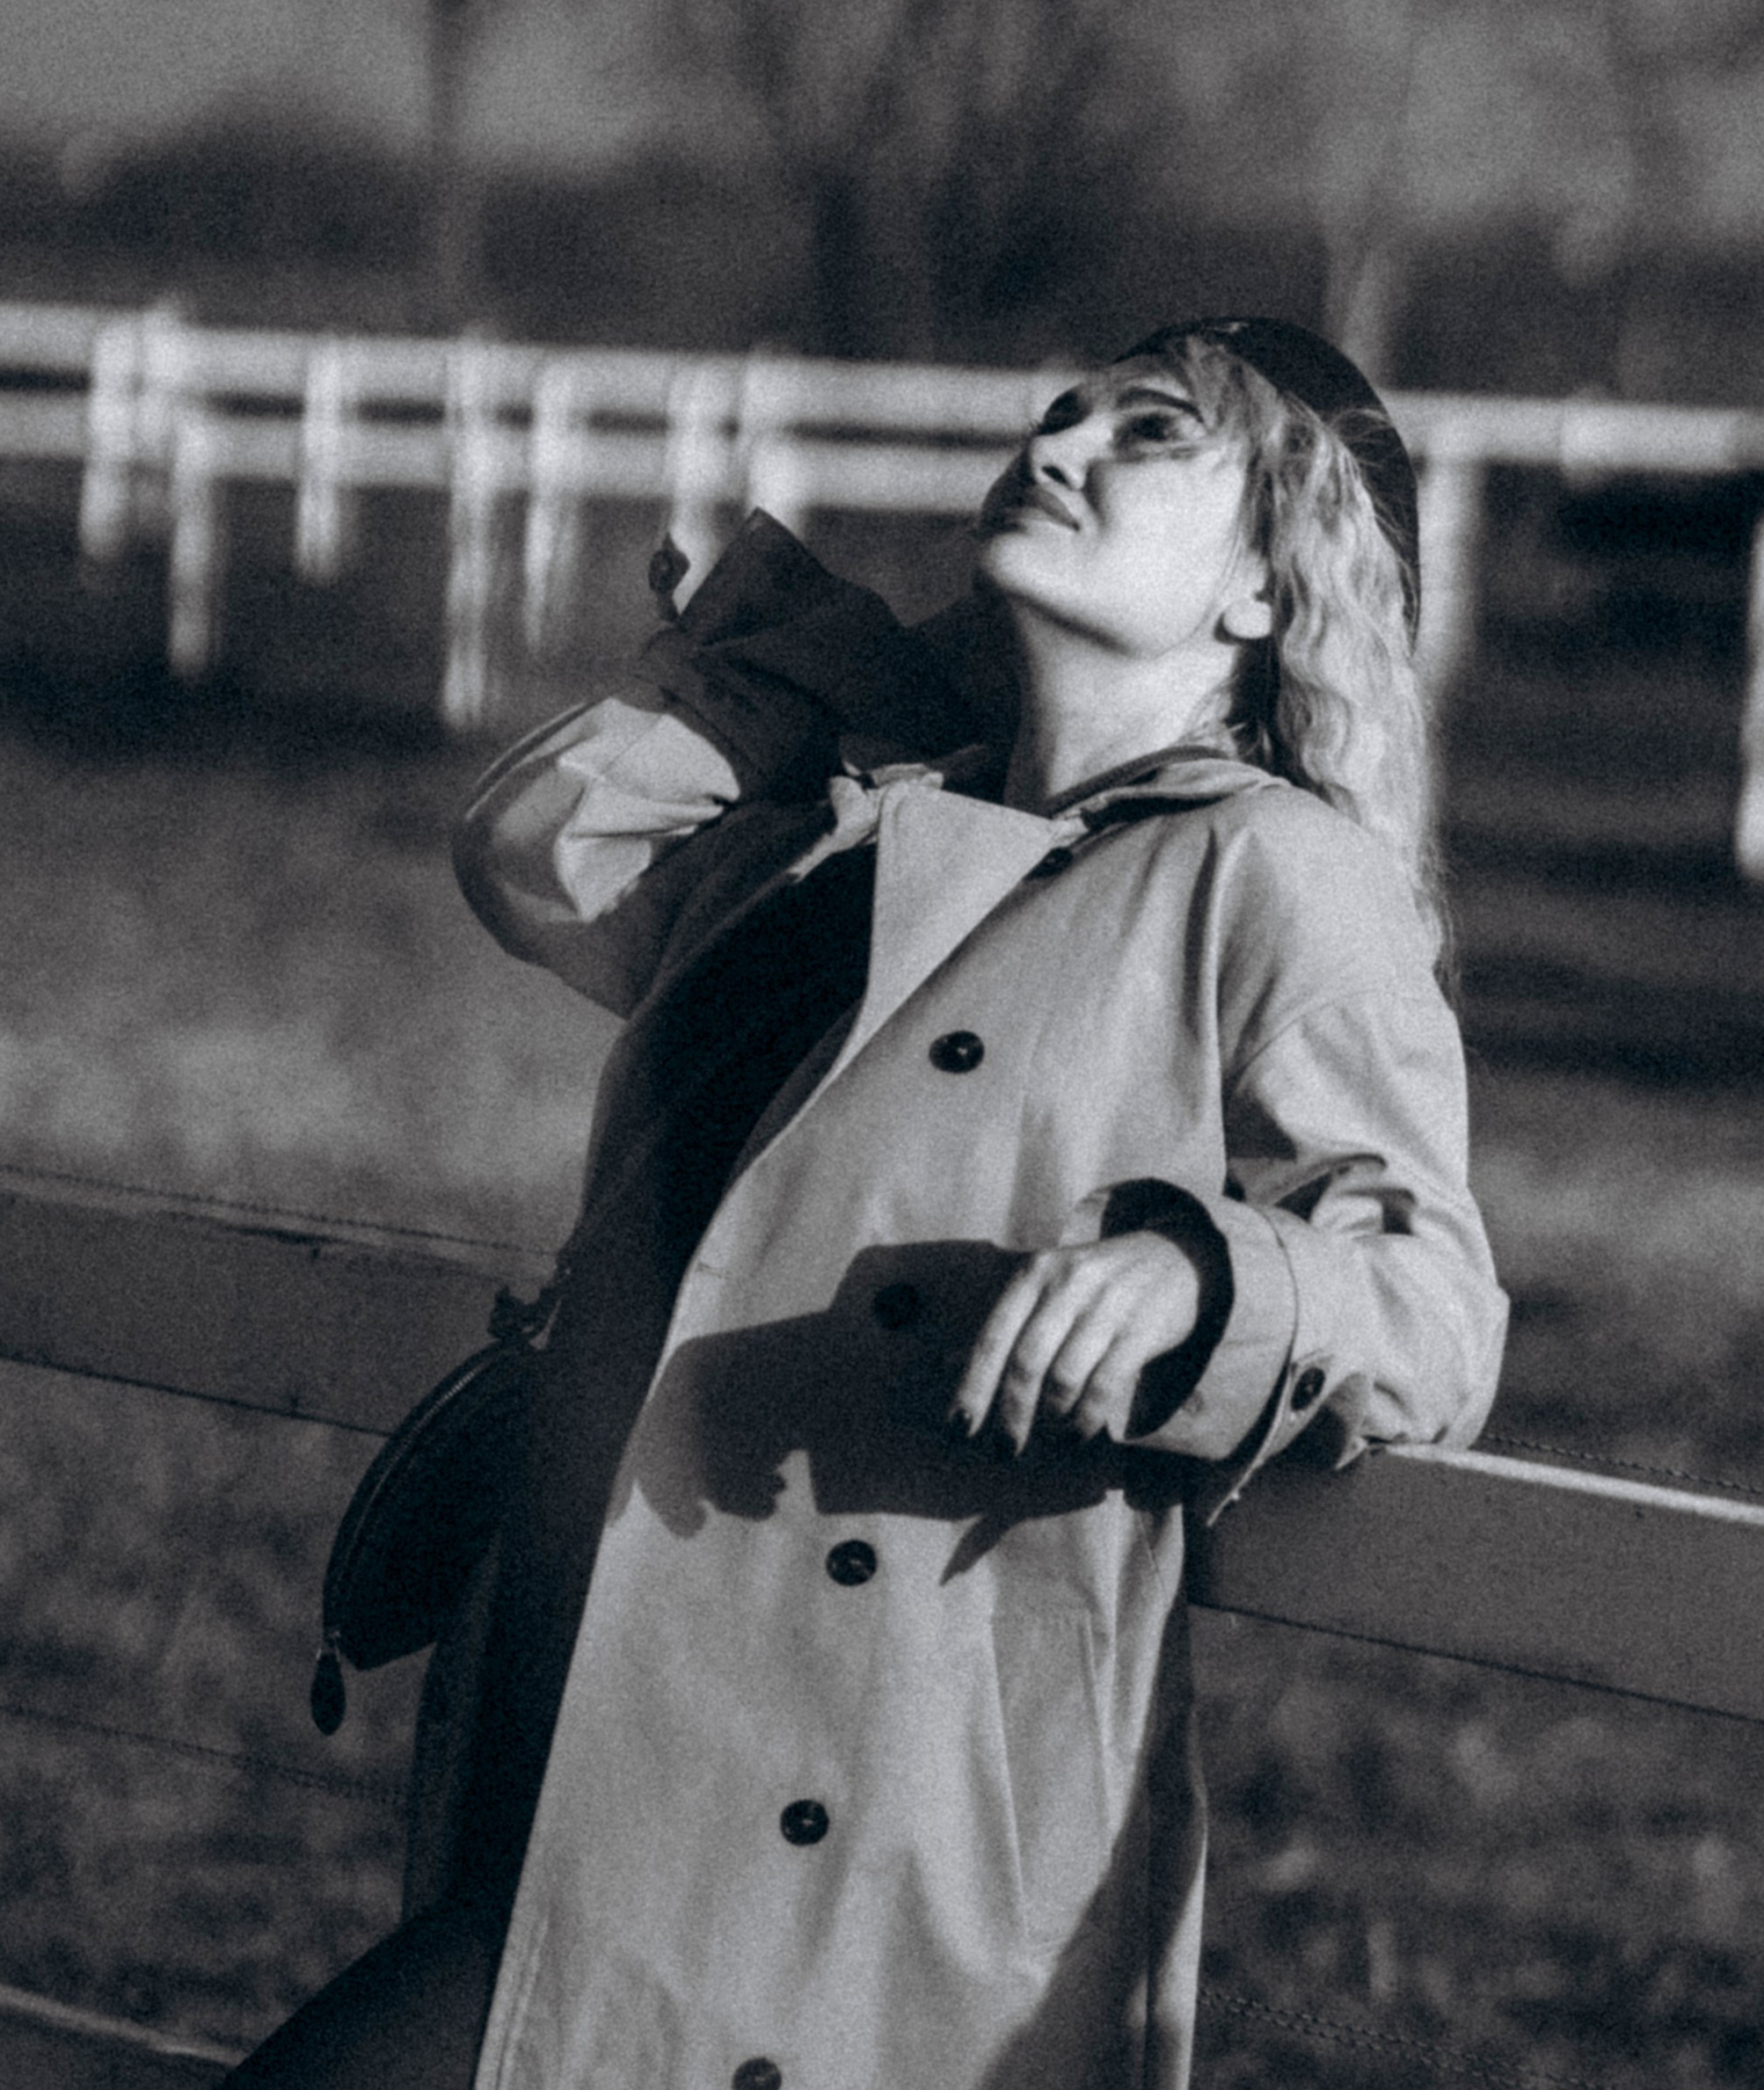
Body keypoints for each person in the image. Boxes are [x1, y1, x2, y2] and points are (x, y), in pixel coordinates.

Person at [233, 317, 1507, 2090]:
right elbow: (540, 854)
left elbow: (1433, 1302)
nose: (1055, 444)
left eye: (1146, 434)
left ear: (1262, 592)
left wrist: (1204, 1282)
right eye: (1057, 413)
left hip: (831, 1802)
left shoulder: (1269, 869)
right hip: (581, 1701)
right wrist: (847, 677)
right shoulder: (851, 845)